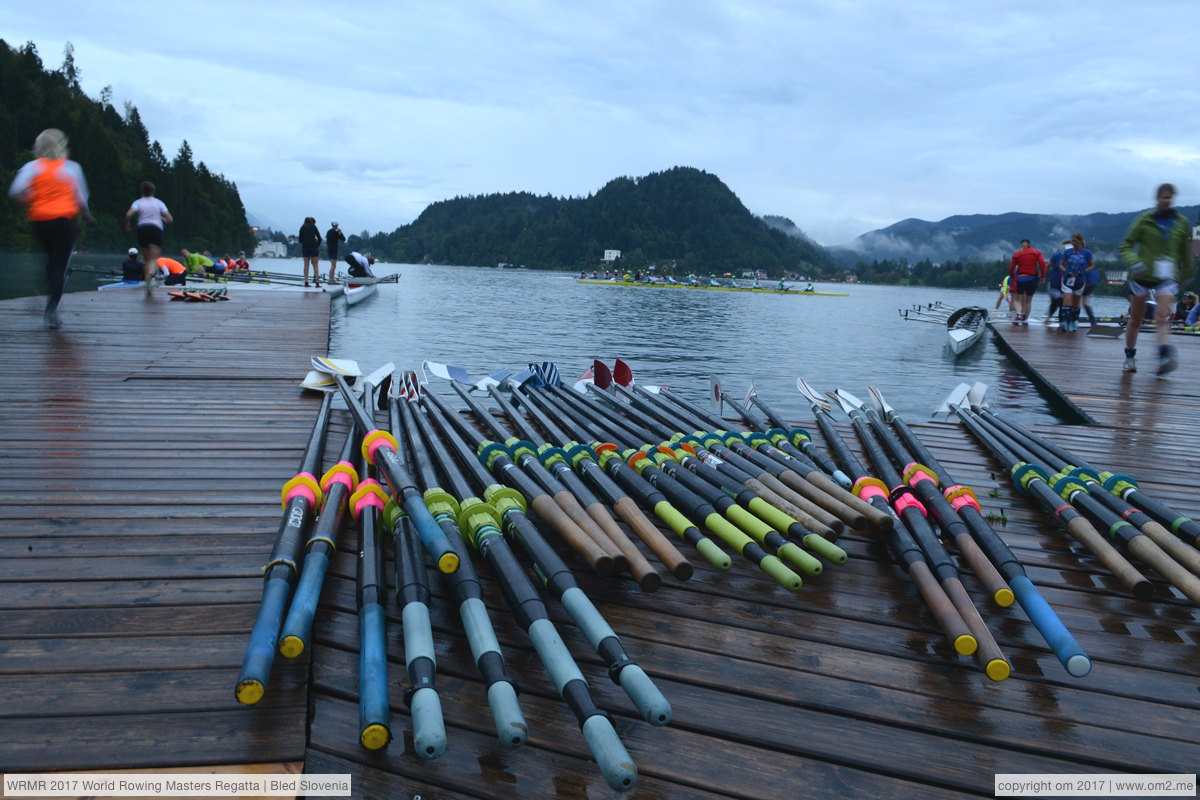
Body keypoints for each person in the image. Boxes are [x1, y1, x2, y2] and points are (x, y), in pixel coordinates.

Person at [6, 128, 92, 328]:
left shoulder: (32, 168)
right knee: (60, 266)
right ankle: (52, 308)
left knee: (50, 261)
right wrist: (86, 213)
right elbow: (81, 197)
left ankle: (45, 293)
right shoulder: (71, 168)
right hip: (63, 221)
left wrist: (31, 197)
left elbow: (15, 191)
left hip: (40, 220)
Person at [1118, 183, 1193, 374]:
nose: (1166, 201)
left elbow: (1186, 251)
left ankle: (1164, 355)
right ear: (1157, 198)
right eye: (1163, 197)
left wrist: (1188, 273)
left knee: (1162, 316)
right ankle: (1129, 356)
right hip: (1141, 274)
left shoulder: (1181, 222)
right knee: (1136, 318)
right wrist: (1134, 261)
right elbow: (1126, 245)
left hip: (1167, 276)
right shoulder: (1145, 219)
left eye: (1169, 197)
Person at [125, 181, 173, 294]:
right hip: (156, 229)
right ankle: (149, 276)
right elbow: (170, 219)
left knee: (146, 259)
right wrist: (163, 220)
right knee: (153, 259)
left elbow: (128, 215)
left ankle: (148, 280)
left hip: (142, 229)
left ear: (142, 191)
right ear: (153, 191)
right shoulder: (159, 203)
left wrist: (127, 224)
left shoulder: (138, 202)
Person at [1058, 233, 1095, 332]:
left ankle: (1073, 321)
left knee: (1076, 303)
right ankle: (1065, 322)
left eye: (1074, 241)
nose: (1073, 243)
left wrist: (1084, 271)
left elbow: (1092, 265)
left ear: (1080, 241)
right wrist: (1065, 270)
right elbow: (1061, 264)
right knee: (1067, 300)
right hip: (1068, 279)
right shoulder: (1068, 252)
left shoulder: (1086, 253)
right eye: (1072, 241)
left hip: (1079, 280)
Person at [1007, 239, 1046, 325]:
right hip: (1032, 278)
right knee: (1028, 301)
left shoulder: (1017, 254)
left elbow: (1011, 268)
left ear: (1021, 245)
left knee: (1017, 300)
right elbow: (1042, 263)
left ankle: (1019, 314)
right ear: (1030, 244)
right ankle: (1025, 319)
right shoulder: (1036, 253)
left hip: (1021, 278)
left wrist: (1013, 277)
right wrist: (1043, 276)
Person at [1044, 240, 1070, 324]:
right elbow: (1047, 267)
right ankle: (1051, 318)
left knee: (1061, 303)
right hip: (1055, 283)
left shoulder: (1073, 257)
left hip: (1066, 284)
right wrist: (1042, 276)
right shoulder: (1057, 256)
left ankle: (1060, 321)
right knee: (1056, 302)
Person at [299, 216, 322, 287]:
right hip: (314, 247)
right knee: (315, 265)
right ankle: (317, 283)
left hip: (305, 247)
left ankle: (306, 282)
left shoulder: (302, 228)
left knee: (306, 265)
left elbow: (300, 240)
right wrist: (317, 245)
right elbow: (319, 238)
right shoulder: (313, 227)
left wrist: (304, 242)